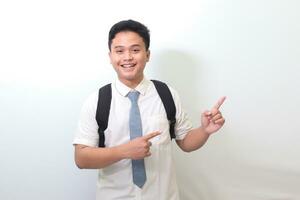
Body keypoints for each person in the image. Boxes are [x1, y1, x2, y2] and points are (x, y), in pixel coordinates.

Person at [73, 19, 226, 200]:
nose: (127, 57)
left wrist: (204, 131)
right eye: (120, 51)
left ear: (147, 54)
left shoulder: (166, 94)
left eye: (135, 50)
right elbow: (81, 158)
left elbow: (186, 142)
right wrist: (124, 151)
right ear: (110, 56)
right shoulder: (97, 101)